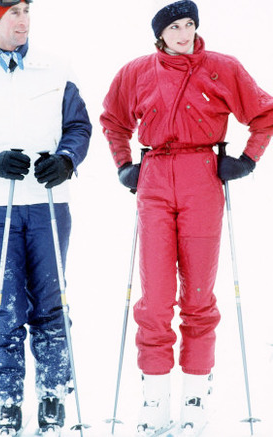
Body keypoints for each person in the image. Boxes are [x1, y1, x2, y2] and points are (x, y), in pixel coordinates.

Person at [100, 1, 273, 435]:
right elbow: (113, 119)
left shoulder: (221, 67)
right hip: (155, 174)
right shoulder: (136, 71)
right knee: (155, 296)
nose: (184, 33)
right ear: (159, 35)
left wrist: (247, 160)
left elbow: (264, 113)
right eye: (175, 27)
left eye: (190, 25)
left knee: (199, 294)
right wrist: (124, 163)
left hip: (202, 176)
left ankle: (196, 396)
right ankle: (154, 398)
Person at [0, 1, 91, 435]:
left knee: (51, 302)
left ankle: (53, 395)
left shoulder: (57, 70)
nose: (24, 21)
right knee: (4, 306)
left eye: (27, 11)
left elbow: (78, 128)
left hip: (48, 202)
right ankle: (6, 401)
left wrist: (66, 159)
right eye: (14, 13)